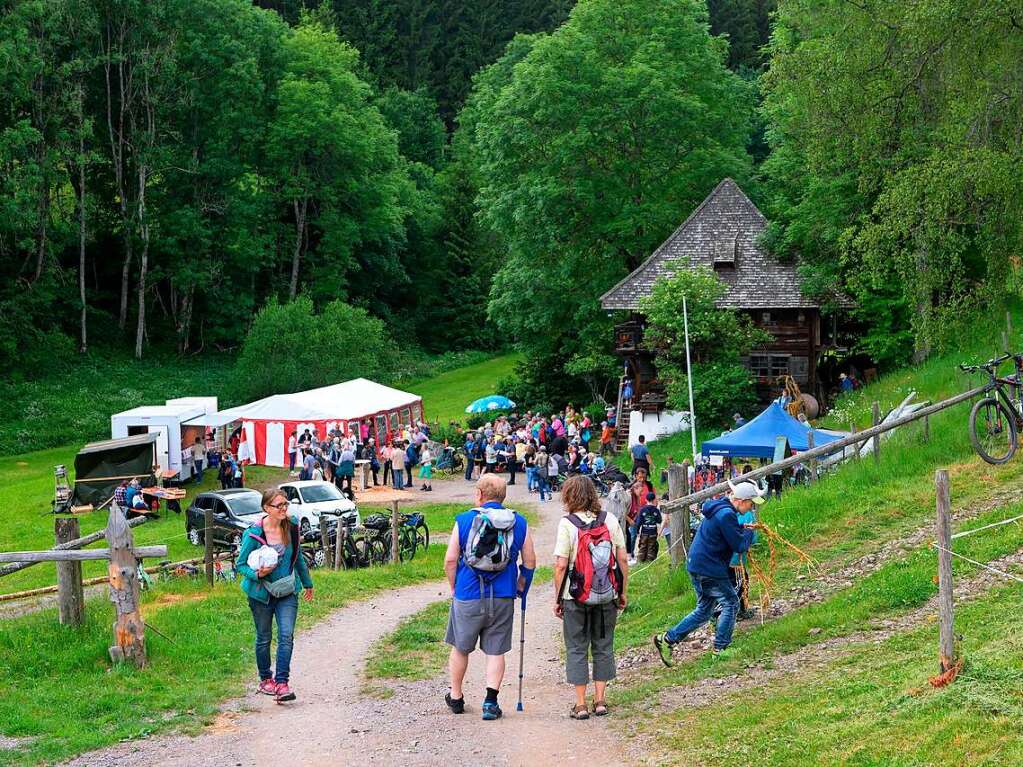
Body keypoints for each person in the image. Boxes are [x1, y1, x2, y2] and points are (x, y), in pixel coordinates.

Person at [444, 475, 536, 720]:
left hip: (468, 594)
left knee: (461, 648)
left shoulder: (464, 520)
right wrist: (520, 587)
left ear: (479, 494)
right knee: (496, 651)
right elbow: (530, 562)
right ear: (503, 496)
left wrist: (455, 587)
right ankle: (490, 702)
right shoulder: (519, 522)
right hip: (503, 595)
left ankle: (456, 696)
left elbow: (451, 559)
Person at [653, 481, 763, 665]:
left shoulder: (719, 507)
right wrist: (749, 533)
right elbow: (739, 546)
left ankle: (667, 639)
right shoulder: (727, 515)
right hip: (710, 568)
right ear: (742, 501)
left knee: (704, 610)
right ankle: (721, 648)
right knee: (731, 603)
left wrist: (740, 532)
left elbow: (729, 536)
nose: (752, 508)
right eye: (751, 503)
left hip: (698, 565)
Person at [552, 475, 628, 719]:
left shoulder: (567, 524)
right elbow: (623, 559)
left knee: (577, 646)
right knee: (603, 645)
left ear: (568, 496)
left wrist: (558, 598)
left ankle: (580, 704)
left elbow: (561, 565)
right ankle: (601, 701)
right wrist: (622, 591)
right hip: (607, 594)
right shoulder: (610, 520)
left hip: (574, 596)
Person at [236, 489, 314, 702]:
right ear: (266, 508)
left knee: (286, 635)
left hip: (287, 591)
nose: (283, 509)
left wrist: (307, 583)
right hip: (261, 594)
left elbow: (297, 557)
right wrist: (257, 573)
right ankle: (265, 679)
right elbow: (240, 565)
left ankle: (282, 683)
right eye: (278, 505)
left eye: (285, 504)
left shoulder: (292, 526)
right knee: (264, 638)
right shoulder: (253, 534)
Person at [626, 468, 655, 565]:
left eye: (643, 477)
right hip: (636, 515)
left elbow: (654, 499)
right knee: (633, 534)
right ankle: (631, 553)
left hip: (647, 513)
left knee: (646, 534)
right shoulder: (631, 488)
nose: (642, 479)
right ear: (636, 476)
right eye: (640, 477)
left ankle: (644, 553)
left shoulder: (649, 486)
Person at [635, 492, 663, 563]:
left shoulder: (642, 510)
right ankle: (649, 560)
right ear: (654, 500)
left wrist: (637, 531)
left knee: (642, 545)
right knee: (651, 546)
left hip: (644, 531)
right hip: (653, 532)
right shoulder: (656, 510)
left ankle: (640, 560)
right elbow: (659, 521)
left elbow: (638, 522)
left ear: (646, 500)